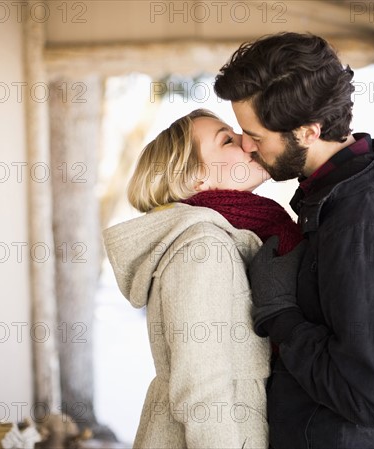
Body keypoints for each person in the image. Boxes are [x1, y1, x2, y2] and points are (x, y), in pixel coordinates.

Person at [214, 32, 374, 448]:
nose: (246, 146)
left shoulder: (365, 219)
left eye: (256, 136)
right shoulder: (333, 197)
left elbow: (372, 400)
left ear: (307, 132)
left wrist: (279, 315)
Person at [102, 109, 303, 449]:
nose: (246, 140)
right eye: (227, 139)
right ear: (197, 178)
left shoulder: (231, 239)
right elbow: (200, 386)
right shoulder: (203, 248)